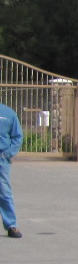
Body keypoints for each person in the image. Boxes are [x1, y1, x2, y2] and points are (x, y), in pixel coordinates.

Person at [0, 101, 22, 239]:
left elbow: (17, 136)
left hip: (1, 160)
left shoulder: (8, 113)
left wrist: (7, 154)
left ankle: (11, 225)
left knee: (4, 192)